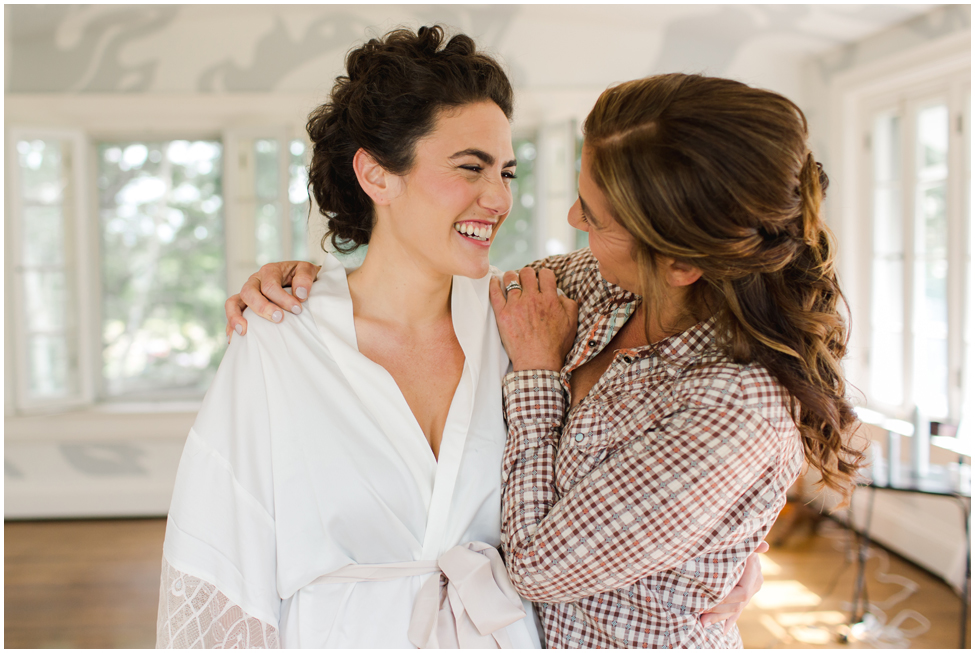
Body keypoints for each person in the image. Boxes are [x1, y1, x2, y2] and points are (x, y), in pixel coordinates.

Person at [230, 72, 863, 649]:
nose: (568, 219)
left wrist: (535, 375)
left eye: (594, 219)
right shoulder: (609, 288)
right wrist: (321, 283)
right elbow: (478, 287)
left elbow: (534, 564)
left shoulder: (734, 408)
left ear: (681, 262)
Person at [157, 26, 542, 648]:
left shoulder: (521, 319)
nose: (498, 198)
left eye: (507, 172)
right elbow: (223, 553)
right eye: (470, 167)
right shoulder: (281, 337)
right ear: (377, 175)